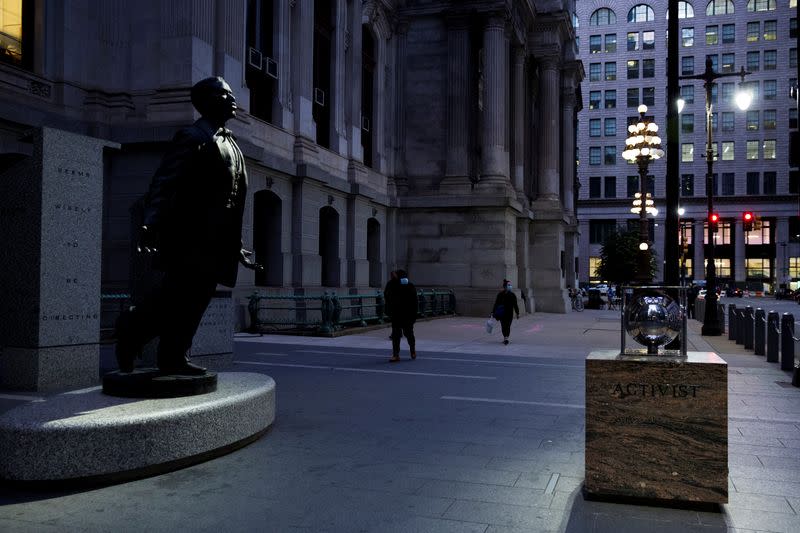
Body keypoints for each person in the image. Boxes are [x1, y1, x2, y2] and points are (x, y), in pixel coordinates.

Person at [114, 76, 260, 375]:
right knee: (176, 295)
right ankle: (132, 328)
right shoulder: (192, 137)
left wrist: (236, 246)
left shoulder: (231, 144)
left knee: (196, 302)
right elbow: (164, 182)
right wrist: (150, 223)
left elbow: (230, 200)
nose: (232, 98)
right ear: (205, 101)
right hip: (190, 238)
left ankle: (173, 356)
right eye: (223, 93)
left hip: (217, 242)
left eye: (232, 93)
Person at [387, 269, 418, 362]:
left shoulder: (407, 286)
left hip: (405, 315)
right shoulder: (393, 285)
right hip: (398, 315)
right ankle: (397, 354)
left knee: (407, 334)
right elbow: (387, 295)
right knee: (398, 335)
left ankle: (411, 351)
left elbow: (414, 302)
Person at [492, 279, 520, 345]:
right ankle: (505, 337)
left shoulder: (512, 295)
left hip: (509, 313)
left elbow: (515, 304)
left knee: (508, 326)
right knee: (503, 326)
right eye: (508, 285)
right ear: (505, 287)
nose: (510, 286)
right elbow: (496, 303)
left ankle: (506, 337)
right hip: (502, 313)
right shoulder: (500, 294)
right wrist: (493, 312)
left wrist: (517, 313)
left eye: (510, 285)